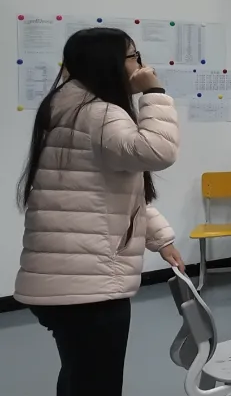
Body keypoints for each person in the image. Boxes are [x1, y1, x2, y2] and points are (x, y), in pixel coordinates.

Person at [15, 28, 184, 395]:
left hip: (66, 281)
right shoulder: (100, 114)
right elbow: (158, 151)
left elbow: (109, 192)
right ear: (109, 63)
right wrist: (154, 92)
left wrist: (161, 239)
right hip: (87, 288)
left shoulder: (65, 106)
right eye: (134, 57)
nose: (140, 65)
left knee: (79, 376)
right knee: (96, 384)